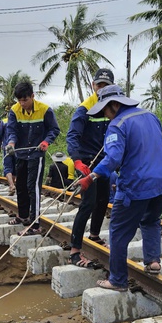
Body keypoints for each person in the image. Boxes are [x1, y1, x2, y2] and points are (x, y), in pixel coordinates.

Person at [75, 85, 162, 292]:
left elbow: (113, 158)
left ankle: (118, 280)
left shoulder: (117, 125)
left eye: (104, 110)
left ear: (113, 105)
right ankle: (153, 262)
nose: (104, 114)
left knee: (119, 231)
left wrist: (91, 176)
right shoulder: (150, 115)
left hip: (136, 184)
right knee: (150, 220)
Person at [65, 68, 114, 268]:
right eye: (98, 85)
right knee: (89, 202)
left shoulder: (113, 106)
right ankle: (75, 250)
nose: (101, 89)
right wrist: (77, 161)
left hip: (105, 162)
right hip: (86, 162)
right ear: (93, 86)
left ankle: (94, 235)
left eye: (106, 85)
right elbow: (72, 136)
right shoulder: (84, 109)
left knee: (103, 200)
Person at [5, 82, 60, 234]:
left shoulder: (44, 110)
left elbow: (54, 129)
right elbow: (12, 130)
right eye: (20, 100)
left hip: (37, 155)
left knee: (33, 188)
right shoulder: (14, 111)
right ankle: (23, 216)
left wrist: (46, 141)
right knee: (20, 186)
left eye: (25, 100)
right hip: (21, 154)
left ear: (32, 96)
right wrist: (11, 142)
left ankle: (35, 224)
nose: (22, 104)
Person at [0, 113, 17, 195]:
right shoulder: (21, 120)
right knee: (15, 167)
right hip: (18, 148)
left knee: (7, 167)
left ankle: (11, 185)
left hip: (7, 147)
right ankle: (13, 185)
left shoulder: (4, 122)